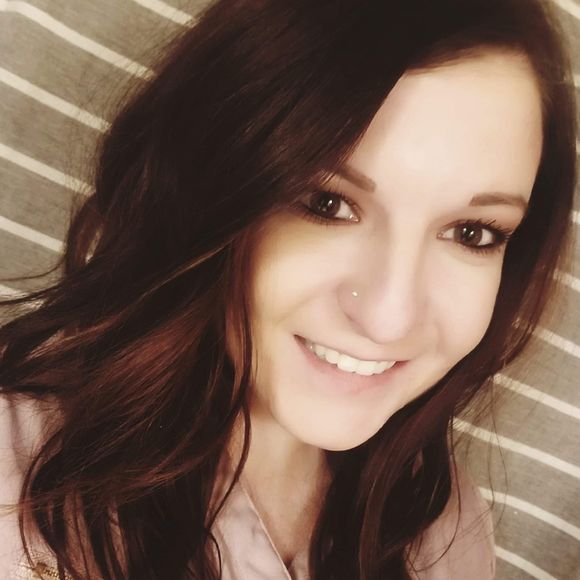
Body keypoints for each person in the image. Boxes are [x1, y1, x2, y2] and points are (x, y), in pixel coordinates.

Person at [0, 0, 576, 578]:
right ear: (211, 186)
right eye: (328, 203)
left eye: (473, 233)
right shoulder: (15, 470)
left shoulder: (444, 530)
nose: (389, 318)